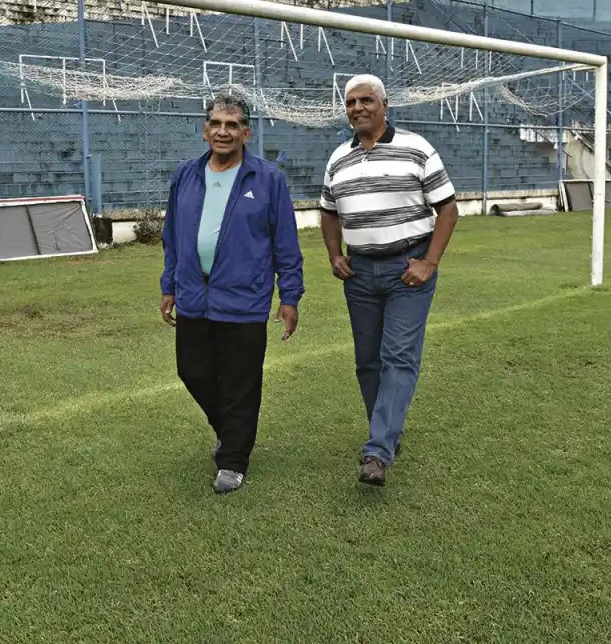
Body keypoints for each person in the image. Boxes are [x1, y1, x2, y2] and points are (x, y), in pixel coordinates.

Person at [319, 74, 459, 487]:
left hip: (407, 271)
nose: (357, 108)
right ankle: (386, 432)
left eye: (366, 100)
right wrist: (334, 254)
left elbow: (448, 209)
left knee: (398, 356)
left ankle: (378, 451)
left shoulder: (416, 148)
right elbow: (328, 211)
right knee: (367, 361)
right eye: (350, 103)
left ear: (384, 105)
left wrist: (429, 263)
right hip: (359, 273)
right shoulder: (337, 158)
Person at [160, 94, 304, 494]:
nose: (224, 131)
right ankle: (231, 431)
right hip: (193, 296)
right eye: (216, 124)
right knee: (192, 371)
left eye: (232, 124)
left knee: (241, 381)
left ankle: (233, 459)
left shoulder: (267, 178)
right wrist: (168, 285)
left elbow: (285, 243)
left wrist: (289, 296)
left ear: (246, 132)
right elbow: (171, 237)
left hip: (245, 298)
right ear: (205, 130)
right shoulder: (185, 175)